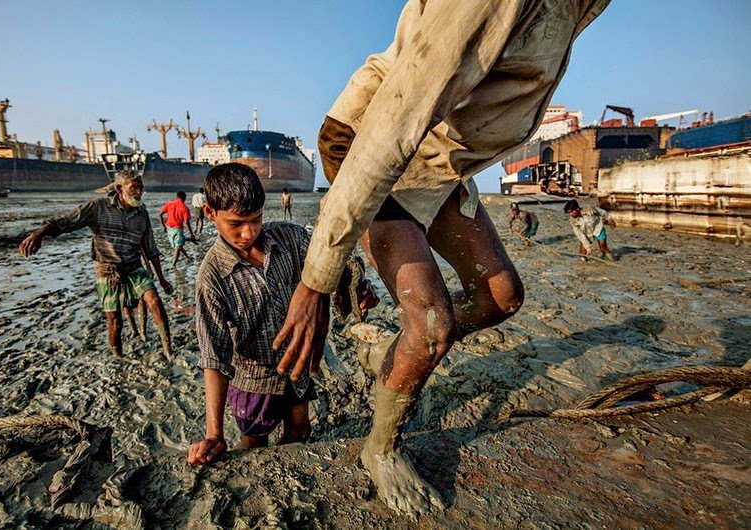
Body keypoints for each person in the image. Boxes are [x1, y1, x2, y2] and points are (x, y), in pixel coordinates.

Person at [273, 0, 610, 516]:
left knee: (502, 297)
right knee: (432, 325)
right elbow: (391, 127)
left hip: (438, 154)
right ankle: (380, 448)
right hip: (375, 143)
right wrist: (316, 280)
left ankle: (390, 349)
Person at [186, 163, 378, 464]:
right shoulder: (212, 277)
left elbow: (334, 263)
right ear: (210, 213)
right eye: (236, 223)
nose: (249, 232)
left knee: (300, 431)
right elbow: (213, 357)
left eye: (256, 219)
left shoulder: (290, 239)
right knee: (254, 442)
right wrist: (214, 434)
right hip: (254, 379)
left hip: (296, 368)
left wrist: (357, 289)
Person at [19, 170, 174, 359]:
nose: (139, 192)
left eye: (141, 187)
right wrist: (38, 234)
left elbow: (150, 248)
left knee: (155, 301)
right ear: (119, 189)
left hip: (134, 267)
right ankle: (118, 356)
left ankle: (168, 349)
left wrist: (162, 278)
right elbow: (68, 221)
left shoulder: (141, 213)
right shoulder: (98, 208)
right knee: (115, 321)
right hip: (108, 271)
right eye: (134, 187)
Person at [159, 191, 197, 266]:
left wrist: (163, 226)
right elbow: (186, 222)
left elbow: (160, 215)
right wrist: (192, 234)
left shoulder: (169, 204)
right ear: (184, 198)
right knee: (178, 246)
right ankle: (173, 264)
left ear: (177, 197)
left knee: (177, 245)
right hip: (178, 228)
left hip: (169, 228)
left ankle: (187, 257)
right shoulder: (185, 208)